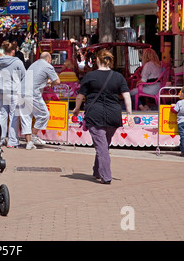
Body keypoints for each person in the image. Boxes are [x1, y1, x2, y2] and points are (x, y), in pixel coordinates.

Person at [72, 49, 134, 184]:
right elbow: (126, 95)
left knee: (101, 147)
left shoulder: (90, 76)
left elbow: (80, 96)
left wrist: (76, 109)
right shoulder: (118, 77)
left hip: (95, 114)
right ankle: (97, 171)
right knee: (103, 145)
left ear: (97, 60)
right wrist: (129, 114)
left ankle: (106, 176)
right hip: (114, 114)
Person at [0, 41, 26, 148]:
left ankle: (0, 139)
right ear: (13, 51)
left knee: (2, 116)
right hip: (14, 92)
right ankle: (12, 141)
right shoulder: (18, 62)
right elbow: (24, 76)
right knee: (13, 116)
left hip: (2, 91)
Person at [20, 52, 60, 150]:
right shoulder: (48, 66)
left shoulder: (33, 64)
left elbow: (36, 79)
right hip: (32, 93)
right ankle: (33, 136)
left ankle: (29, 142)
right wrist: (51, 84)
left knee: (26, 117)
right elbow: (57, 81)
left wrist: (46, 82)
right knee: (44, 114)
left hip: (21, 91)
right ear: (49, 59)